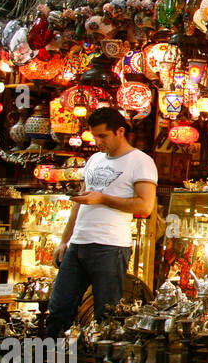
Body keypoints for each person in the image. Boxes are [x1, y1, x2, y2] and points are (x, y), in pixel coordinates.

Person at [43, 108, 158, 340]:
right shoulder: (94, 159)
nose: (98, 142)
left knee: (107, 315)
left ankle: (101, 361)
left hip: (110, 246)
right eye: (95, 136)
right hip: (78, 244)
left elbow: (145, 206)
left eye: (103, 136)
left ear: (120, 131)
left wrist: (103, 199)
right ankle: (55, 359)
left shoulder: (141, 161)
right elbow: (79, 203)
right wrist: (64, 241)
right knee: (58, 308)